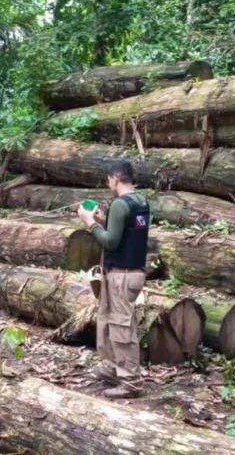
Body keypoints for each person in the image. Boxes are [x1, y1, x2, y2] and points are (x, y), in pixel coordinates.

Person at [77, 160, 149, 399]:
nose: (108, 184)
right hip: (126, 273)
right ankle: (111, 367)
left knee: (120, 326)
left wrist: (89, 224)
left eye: (108, 180)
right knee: (107, 320)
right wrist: (101, 220)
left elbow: (110, 242)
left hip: (123, 275)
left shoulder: (120, 203)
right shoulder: (140, 202)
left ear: (115, 179)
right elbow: (124, 233)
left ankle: (131, 382)